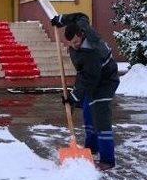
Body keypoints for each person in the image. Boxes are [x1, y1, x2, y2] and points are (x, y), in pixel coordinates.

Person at [51, 13, 119, 171]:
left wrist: (73, 97)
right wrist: (62, 19)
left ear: (81, 36)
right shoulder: (82, 27)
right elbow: (81, 16)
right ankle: (92, 148)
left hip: (106, 81)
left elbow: (89, 79)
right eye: (71, 43)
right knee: (89, 112)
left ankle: (107, 160)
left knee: (101, 116)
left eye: (76, 42)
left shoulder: (92, 53)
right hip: (91, 77)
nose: (74, 45)